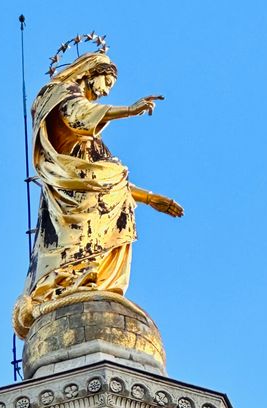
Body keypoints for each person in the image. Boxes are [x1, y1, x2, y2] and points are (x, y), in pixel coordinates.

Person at [13, 52, 183, 338]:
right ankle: (69, 287)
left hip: (90, 191)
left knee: (102, 251)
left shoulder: (91, 144)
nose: (104, 91)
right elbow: (79, 117)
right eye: (106, 82)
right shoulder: (60, 95)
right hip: (73, 198)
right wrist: (128, 110)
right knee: (71, 259)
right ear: (91, 72)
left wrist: (152, 199)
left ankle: (95, 285)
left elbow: (109, 186)